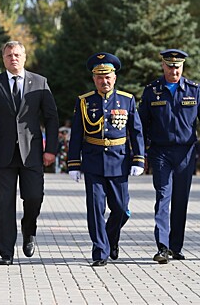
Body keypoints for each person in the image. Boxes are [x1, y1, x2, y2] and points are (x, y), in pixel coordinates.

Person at [0, 41, 59, 266]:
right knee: (5, 202)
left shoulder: (40, 83)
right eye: (9, 55)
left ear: (25, 57)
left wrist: (51, 149)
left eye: (17, 55)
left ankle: (28, 229)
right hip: (2, 154)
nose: (13, 58)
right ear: (3, 59)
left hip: (32, 153)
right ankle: (6, 251)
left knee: (34, 197)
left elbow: (51, 118)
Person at [138, 49, 200, 264]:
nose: (174, 70)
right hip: (160, 151)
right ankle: (162, 247)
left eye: (178, 67)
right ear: (163, 66)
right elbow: (141, 125)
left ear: (182, 68)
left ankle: (176, 246)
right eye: (170, 66)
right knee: (163, 196)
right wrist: (141, 152)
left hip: (186, 152)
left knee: (180, 199)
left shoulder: (193, 90)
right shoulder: (152, 91)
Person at [67, 52, 145, 267]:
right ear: (94, 79)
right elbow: (76, 135)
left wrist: (139, 159)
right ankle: (100, 251)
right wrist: (74, 163)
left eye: (108, 76)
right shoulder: (84, 102)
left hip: (119, 161)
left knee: (121, 209)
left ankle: (111, 239)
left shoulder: (127, 100)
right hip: (93, 161)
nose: (104, 81)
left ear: (114, 77)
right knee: (95, 209)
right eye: (99, 77)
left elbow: (136, 132)